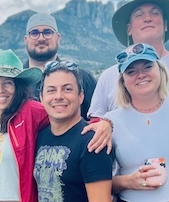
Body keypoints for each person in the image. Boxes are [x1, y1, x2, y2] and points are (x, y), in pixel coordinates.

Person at [104, 43, 169, 202]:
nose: (140, 75)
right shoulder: (111, 121)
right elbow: (97, 182)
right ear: (123, 82)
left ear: (161, 70)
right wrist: (128, 181)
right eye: (131, 71)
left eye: (147, 67)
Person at [88, 0, 169, 118]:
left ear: (165, 25)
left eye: (155, 13)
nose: (148, 19)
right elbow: (96, 123)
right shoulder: (108, 76)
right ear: (129, 29)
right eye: (139, 15)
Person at [0, 49, 50, 202]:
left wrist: (103, 124)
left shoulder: (29, 110)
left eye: (8, 82)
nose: (0, 90)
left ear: (18, 87)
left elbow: (64, 116)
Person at [35, 60, 113, 202]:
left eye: (67, 89)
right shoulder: (39, 136)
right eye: (51, 90)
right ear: (41, 98)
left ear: (81, 96)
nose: (58, 96)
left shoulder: (92, 142)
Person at [24, 12, 97, 120]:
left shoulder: (83, 78)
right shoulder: (15, 82)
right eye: (34, 33)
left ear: (58, 38)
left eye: (47, 32)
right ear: (26, 39)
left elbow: (97, 121)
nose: (41, 38)